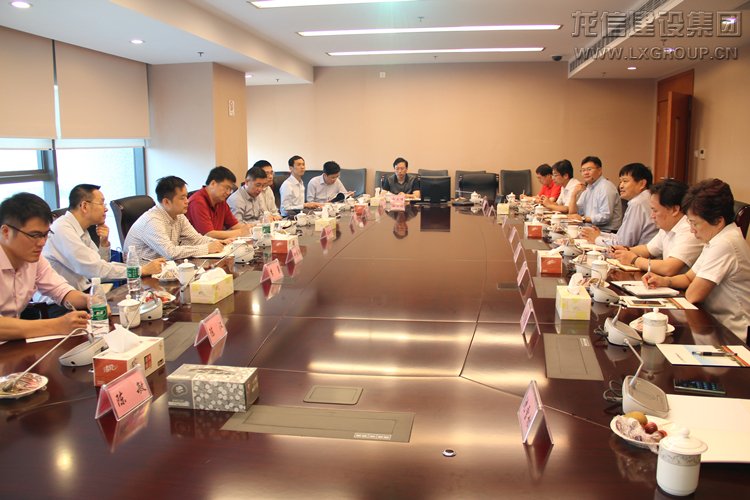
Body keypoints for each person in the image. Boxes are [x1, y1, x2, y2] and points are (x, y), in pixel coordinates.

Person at [643, 179, 750, 341]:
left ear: (718, 221)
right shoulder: (716, 238)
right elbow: (688, 278)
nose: (692, 230)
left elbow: (693, 295)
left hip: (732, 333)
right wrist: (664, 281)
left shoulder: (725, 243)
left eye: (695, 223)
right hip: (711, 322)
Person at [41, 184, 164, 299]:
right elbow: (95, 269)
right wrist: (141, 270)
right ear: (84, 206)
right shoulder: (62, 229)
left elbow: (99, 265)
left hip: (84, 293)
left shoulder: (81, 229)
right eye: (101, 203)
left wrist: (104, 244)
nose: (106, 209)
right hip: (60, 304)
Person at [0, 193, 91, 341]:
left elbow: (60, 290)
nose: (42, 242)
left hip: (12, 343)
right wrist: (56, 325)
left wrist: (89, 300)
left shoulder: (33, 259)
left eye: (45, 234)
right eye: (34, 235)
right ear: (6, 232)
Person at [124, 176, 228, 261]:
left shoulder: (179, 215)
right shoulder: (152, 221)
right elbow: (171, 252)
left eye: (186, 196)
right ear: (166, 202)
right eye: (182, 198)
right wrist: (207, 248)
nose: (187, 201)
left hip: (165, 268)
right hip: (141, 274)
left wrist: (220, 243)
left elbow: (196, 239)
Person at [612, 179, 703, 276]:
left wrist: (634, 260)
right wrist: (624, 251)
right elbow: (648, 249)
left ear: (674, 210)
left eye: (655, 210)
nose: (652, 216)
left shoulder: (690, 230)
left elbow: (669, 268)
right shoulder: (667, 226)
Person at [580, 163, 658, 247]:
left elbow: (624, 244)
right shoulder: (646, 198)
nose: (621, 186)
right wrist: (600, 234)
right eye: (620, 182)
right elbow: (622, 238)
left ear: (642, 184)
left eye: (625, 181)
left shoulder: (637, 203)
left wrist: (596, 239)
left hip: (637, 253)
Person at [187, 166, 251, 238]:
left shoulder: (221, 201)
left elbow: (234, 225)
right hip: (203, 244)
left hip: (217, 243)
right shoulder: (197, 202)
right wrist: (240, 232)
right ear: (213, 183)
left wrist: (251, 228)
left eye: (230, 189)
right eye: (226, 188)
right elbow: (208, 234)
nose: (228, 193)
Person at [567, 155, 622, 231]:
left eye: (589, 169)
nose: (586, 173)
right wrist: (573, 195)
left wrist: (583, 219)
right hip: (591, 230)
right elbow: (575, 213)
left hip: (607, 232)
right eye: (583, 170)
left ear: (599, 170)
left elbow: (605, 216)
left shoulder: (606, 187)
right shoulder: (588, 188)